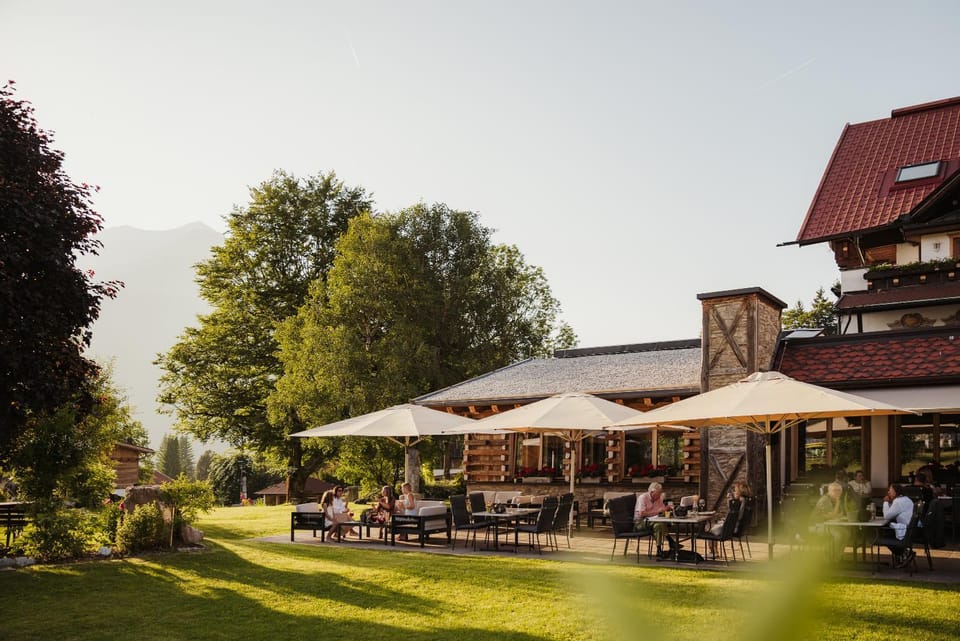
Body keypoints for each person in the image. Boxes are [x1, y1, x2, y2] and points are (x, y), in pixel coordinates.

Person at [810, 481, 854, 560]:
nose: (839, 494)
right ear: (831, 491)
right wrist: (838, 502)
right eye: (836, 491)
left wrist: (836, 515)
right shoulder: (825, 500)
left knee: (846, 533)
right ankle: (827, 554)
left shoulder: (833, 499)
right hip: (815, 525)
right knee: (839, 535)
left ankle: (836, 557)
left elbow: (838, 514)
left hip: (826, 524)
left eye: (840, 491)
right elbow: (833, 515)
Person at [634, 481, 676, 556]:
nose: (660, 495)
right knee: (659, 523)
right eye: (658, 493)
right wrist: (657, 512)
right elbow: (642, 513)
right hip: (640, 523)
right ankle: (670, 540)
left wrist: (667, 508)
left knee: (658, 525)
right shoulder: (643, 498)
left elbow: (662, 509)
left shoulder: (659, 498)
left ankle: (659, 550)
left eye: (660, 493)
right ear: (652, 492)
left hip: (653, 522)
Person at [881, 483, 915, 567]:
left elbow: (886, 516)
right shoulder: (906, 499)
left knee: (883, 534)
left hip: (905, 531)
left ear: (895, 492)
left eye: (890, 490)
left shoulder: (898, 502)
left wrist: (885, 502)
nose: (888, 492)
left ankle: (903, 553)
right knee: (888, 530)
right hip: (911, 529)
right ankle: (903, 554)